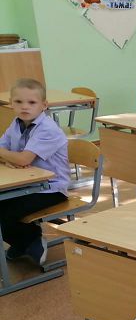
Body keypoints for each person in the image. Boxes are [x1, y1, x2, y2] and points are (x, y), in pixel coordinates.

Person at [0, 78, 69, 265]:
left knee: (6, 212)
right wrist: (9, 158)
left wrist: (12, 157)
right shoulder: (16, 123)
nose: (25, 107)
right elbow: (5, 150)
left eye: (32, 102)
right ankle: (23, 242)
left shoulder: (47, 129)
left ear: (44, 105)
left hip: (51, 189)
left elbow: (23, 159)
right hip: (27, 184)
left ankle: (31, 239)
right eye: (19, 102)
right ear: (11, 103)